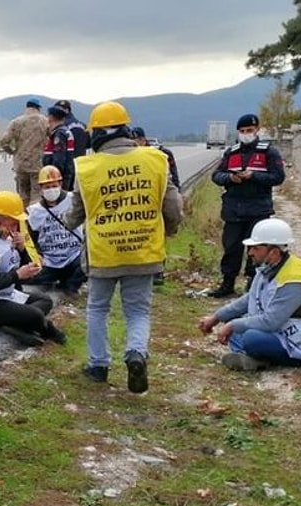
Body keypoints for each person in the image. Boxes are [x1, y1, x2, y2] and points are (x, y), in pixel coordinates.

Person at [64, 101, 182, 393]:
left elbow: (76, 213)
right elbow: (174, 206)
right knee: (138, 310)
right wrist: (169, 230)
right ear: (127, 128)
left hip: (103, 254)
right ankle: (136, 353)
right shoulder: (155, 160)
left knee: (97, 308)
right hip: (143, 250)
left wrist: (67, 222)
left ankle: (98, 366)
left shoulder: (88, 167)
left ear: (95, 135)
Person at [0, 191, 66, 346]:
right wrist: (16, 275)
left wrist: (22, 250)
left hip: (2, 293)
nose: (16, 226)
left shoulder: (3, 231)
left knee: (45, 300)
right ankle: (46, 330)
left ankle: (11, 324)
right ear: (0, 218)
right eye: (14, 222)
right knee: (34, 314)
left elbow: (24, 270)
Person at [198, 218, 301, 371]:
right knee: (240, 329)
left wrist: (232, 325)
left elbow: (270, 322)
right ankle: (256, 359)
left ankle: (259, 358)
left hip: (298, 339)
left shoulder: (294, 280)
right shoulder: (268, 267)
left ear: (273, 252)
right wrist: (217, 317)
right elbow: (250, 298)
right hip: (278, 332)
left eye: (255, 248)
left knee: (250, 337)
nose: (250, 253)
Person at [208, 114, 286, 298]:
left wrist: (254, 176)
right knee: (231, 248)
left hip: (258, 209)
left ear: (257, 130)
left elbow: (278, 177)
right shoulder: (231, 152)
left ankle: (253, 286)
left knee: (257, 250)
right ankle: (227, 284)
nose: (246, 134)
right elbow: (216, 176)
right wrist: (230, 178)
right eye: (242, 131)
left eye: (249, 131)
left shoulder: (268, 152)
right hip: (233, 210)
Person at [25, 166, 85, 295]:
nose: (51, 190)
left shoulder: (73, 200)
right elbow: (31, 238)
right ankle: (55, 280)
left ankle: (70, 287)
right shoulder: (34, 212)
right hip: (50, 261)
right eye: (47, 187)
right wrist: (38, 255)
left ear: (60, 184)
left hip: (74, 256)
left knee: (88, 263)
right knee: (30, 277)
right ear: (41, 188)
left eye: (54, 185)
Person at [132, 126, 179, 287]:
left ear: (143, 140)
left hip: (157, 200)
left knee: (158, 236)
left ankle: (158, 270)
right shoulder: (129, 157)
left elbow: (173, 178)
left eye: (137, 140)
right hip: (139, 203)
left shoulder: (161, 155)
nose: (135, 143)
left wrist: (176, 199)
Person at [0, 98, 48, 208]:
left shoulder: (16, 122)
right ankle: (34, 220)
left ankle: (23, 221)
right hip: (37, 164)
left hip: (21, 165)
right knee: (37, 196)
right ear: (38, 108)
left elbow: (4, 141)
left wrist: (12, 152)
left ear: (27, 107)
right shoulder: (44, 121)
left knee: (22, 196)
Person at [43, 105, 75, 192]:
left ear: (51, 117)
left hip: (59, 176)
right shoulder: (65, 131)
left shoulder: (59, 134)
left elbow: (59, 158)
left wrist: (54, 177)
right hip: (65, 174)